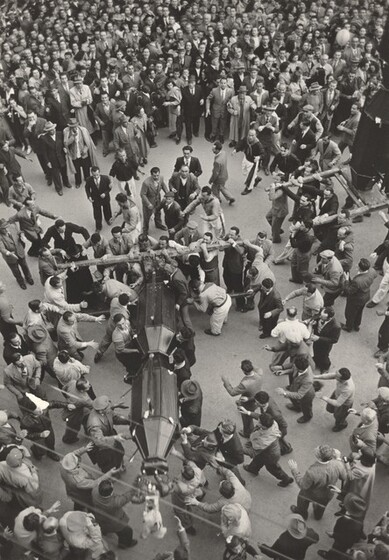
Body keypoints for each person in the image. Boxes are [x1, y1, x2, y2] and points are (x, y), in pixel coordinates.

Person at [288, 444, 347, 520]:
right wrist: (338, 459)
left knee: (302, 501)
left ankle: (302, 514)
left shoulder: (312, 472)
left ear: (320, 458)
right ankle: (318, 516)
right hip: (327, 494)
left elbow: (303, 485)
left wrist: (294, 470)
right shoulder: (338, 464)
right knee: (321, 507)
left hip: (310, 494)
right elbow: (344, 477)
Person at [242, 413, 294, 487]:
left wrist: (240, 449)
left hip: (270, 456)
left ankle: (286, 479)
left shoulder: (263, 440)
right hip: (267, 451)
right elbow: (260, 417)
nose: (258, 422)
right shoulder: (272, 423)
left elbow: (253, 452)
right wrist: (248, 412)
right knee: (258, 459)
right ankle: (252, 469)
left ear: (264, 426)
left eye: (259, 422)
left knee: (273, 468)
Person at [86, 395, 131, 473]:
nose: (110, 408)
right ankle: (109, 476)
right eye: (108, 408)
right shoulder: (94, 424)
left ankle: (119, 465)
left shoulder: (106, 410)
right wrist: (115, 438)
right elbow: (99, 441)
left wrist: (129, 421)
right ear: (101, 411)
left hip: (110, 434)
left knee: (120, 452)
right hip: (103, 445)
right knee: (108, 462)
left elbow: (115, 418)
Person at [91, 479, 138, 549]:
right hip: (114, 522)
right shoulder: (115, 502)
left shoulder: (94, 492)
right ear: (111, 493)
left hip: (100, 517)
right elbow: (127, 496)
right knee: (127, 531)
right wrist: (136, 486)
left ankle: (104, 531)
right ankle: (124, 544)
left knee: (103, 525)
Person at [317, 493, 367, 559]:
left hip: (342, 542)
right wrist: (362, 534)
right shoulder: (359, 514)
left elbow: (343, 538)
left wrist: (333, 534)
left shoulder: (347, 523)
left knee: (336, 549)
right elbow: (360, 526)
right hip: (352, 537)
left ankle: (329, 556)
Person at [222, 360, 263, 438]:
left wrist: (226, 381)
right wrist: (246, 364)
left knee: (247, 418)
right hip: (256, 397)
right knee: (243, 403)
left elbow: (232, 392)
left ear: (244, 371)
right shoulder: (259, 373)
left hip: (248, 404)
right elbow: (256, 368)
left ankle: (247, 432)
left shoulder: (245, 384)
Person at [276, 355, 315, 424]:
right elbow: (293, 369)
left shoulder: (307, 380)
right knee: (293, 399)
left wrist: (284, 393)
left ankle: (307, 417)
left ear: (300, 369)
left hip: (306, 395)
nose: (293, 366)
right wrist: (284, 372)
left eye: (295, 366)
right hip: (295, 387)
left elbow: (299, 395)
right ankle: (297, 407)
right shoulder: (299, 366)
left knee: (306, 407)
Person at [63, 117, 98, 188]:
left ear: (77, 125)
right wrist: (73, 137)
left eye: (75, 126)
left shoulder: (83, 130)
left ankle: (88, 180)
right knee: (77, 169)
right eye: (72, 127)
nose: (74, 128)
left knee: (86, 168)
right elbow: (66, 143)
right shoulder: (66, 131)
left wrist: (85, 149)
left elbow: (88, 142)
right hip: (74, 154)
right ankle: (78, 182)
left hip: (83, 153)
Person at [0, 218, 33, 289]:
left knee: (25, 266)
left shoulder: (12, 226)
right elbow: (2, 248)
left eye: (7, 227)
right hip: (10, 256)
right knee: (16, 271)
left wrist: (22, 235)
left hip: (20, 251)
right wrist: (8, 253)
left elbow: (19, 232)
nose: (6, 229)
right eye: (3, 228)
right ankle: (21, 282)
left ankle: (28, 278)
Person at [310, 306, 341, 373]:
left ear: (329, 318)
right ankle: (316, 360)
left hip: (325, 345)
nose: (320, 317)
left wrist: (319, 338)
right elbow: (315, 317)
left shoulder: (336, 326)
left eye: (322, 317)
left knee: (324, 356)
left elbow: (334, 340)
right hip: (316, 340)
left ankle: (325, 367)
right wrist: (312, 322)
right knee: (316, 351)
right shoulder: (321, 315)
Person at [234, 129, 264, 196]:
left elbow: (263, 153)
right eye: (249, 135)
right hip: (246, 157)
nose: (250, 137)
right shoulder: (246, 139)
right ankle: (256, 178)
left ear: (255, 136)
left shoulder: (258, 144)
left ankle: (248, 188)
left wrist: (259, 157)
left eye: (252, 135)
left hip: (253, 162)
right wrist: (236, 150)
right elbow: (240, 144)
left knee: (249, 176)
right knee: (244, 171)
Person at [141, 167, 169, 234]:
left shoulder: (161, 178)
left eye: (157, 175)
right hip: (149, 200)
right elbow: (142, 194)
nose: (156, 177)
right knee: (147, 216)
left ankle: (158, 224)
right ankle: (145, 229)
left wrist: (167, 193)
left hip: (157, 199)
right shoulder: (146, 183)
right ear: (151, 175)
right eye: (154, 176)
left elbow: (163, 185)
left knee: (158, 212)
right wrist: (148, 204)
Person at [85, 166, 113, 232]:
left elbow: (109, 188)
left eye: (97, 174)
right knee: (97, 213)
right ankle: (98, 227)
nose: (96, 176)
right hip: (95, 198)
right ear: (91, 174)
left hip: (105, 197)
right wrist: (89, 196)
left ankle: (108, 219)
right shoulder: (89, 180)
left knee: (107, 209)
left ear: (99, 172)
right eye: (94, 175)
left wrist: (105, 193)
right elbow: (87, 188)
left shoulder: (105, 178)